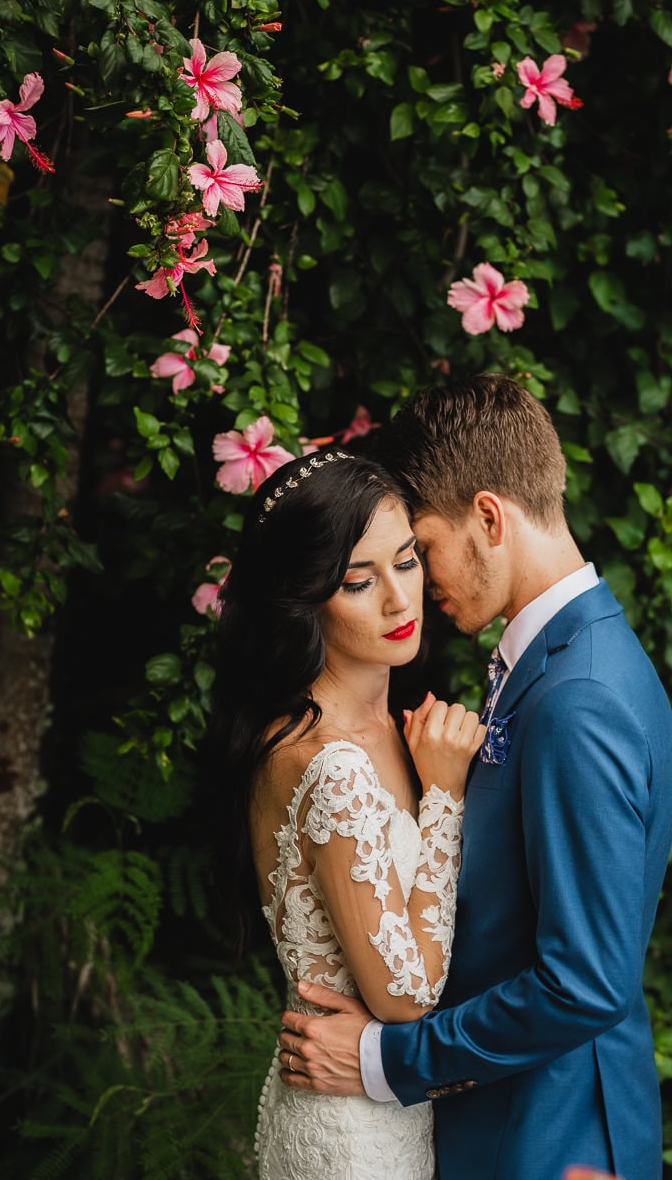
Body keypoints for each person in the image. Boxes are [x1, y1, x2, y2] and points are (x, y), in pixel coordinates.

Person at [276, 375, 672, 1180]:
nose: (419, 584)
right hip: (514, 1118)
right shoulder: (571, 659)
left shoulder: (579, 699)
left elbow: (583, 983)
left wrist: (385, 1057)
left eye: (422, 548)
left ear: (489, 518)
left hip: (548, 1137)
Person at [209, 449, 486, 1180]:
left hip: (383, 1107)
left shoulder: (393, 729)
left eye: (408, 561)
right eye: (359, 582)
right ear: (304, 599)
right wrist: (445, 797)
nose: (399, 600)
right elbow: (406, 996)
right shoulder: (327, 760)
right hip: (351, 1137)